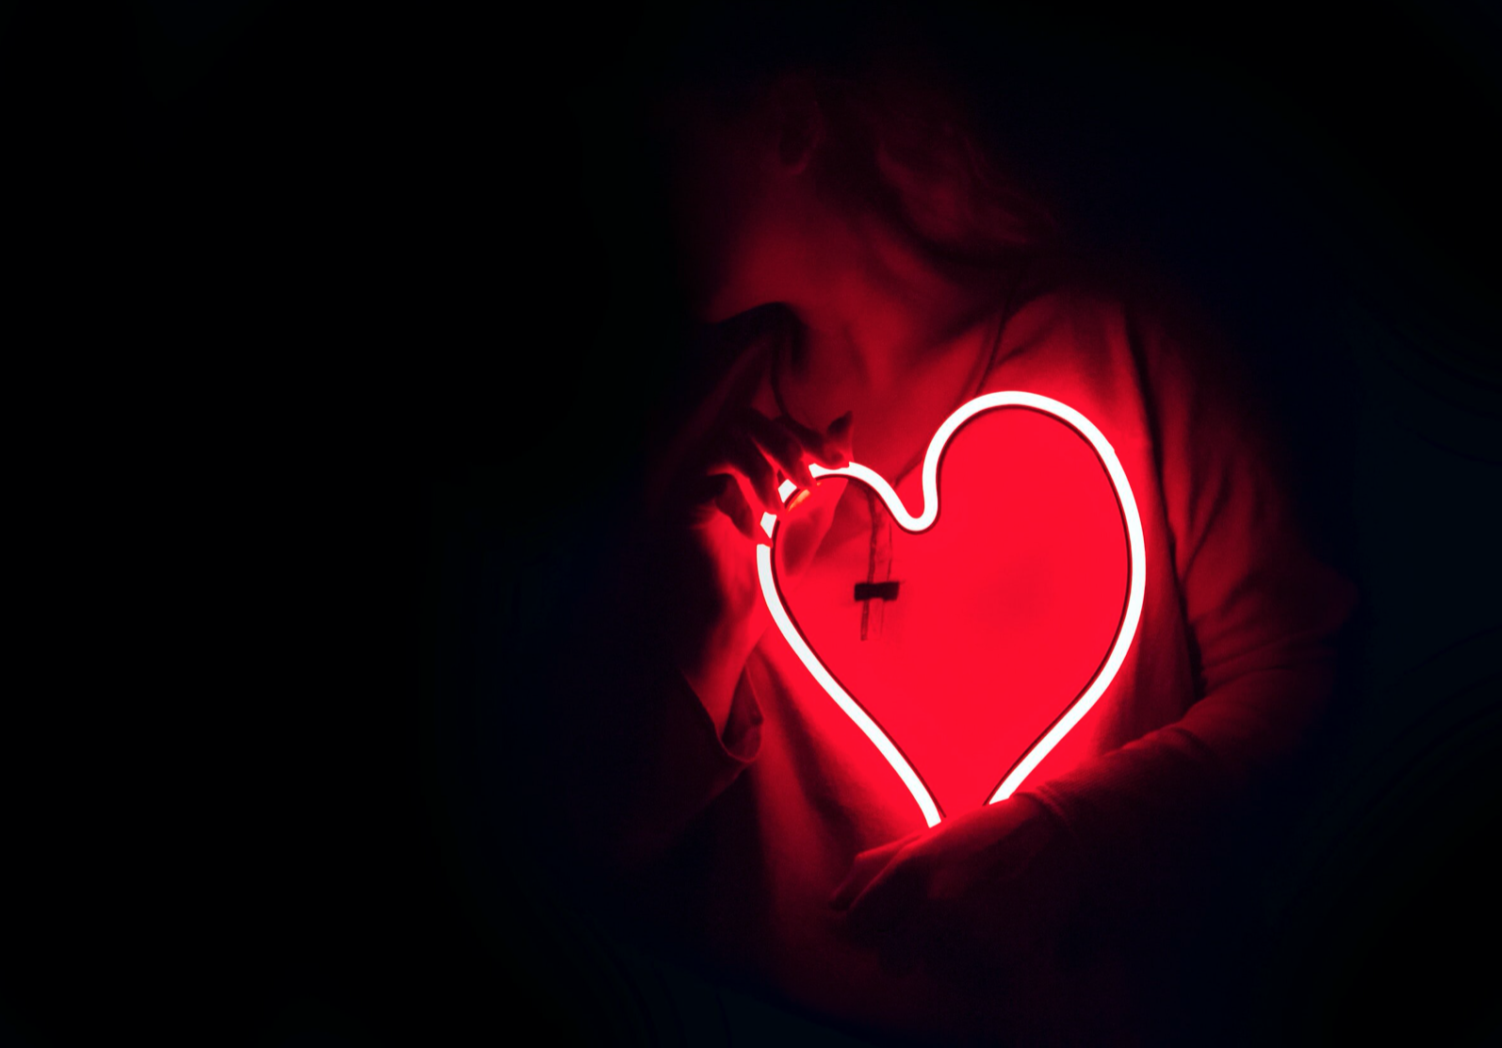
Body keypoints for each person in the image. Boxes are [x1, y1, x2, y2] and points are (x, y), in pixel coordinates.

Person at [524, 27, 1356, 1048]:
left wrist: (1071, 837)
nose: (610, 188)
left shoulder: (1124, 347)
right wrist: (701, 625)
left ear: (789, 126)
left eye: (653, 142)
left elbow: (1305, 673)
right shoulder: (702, 426)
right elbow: (594, 843)